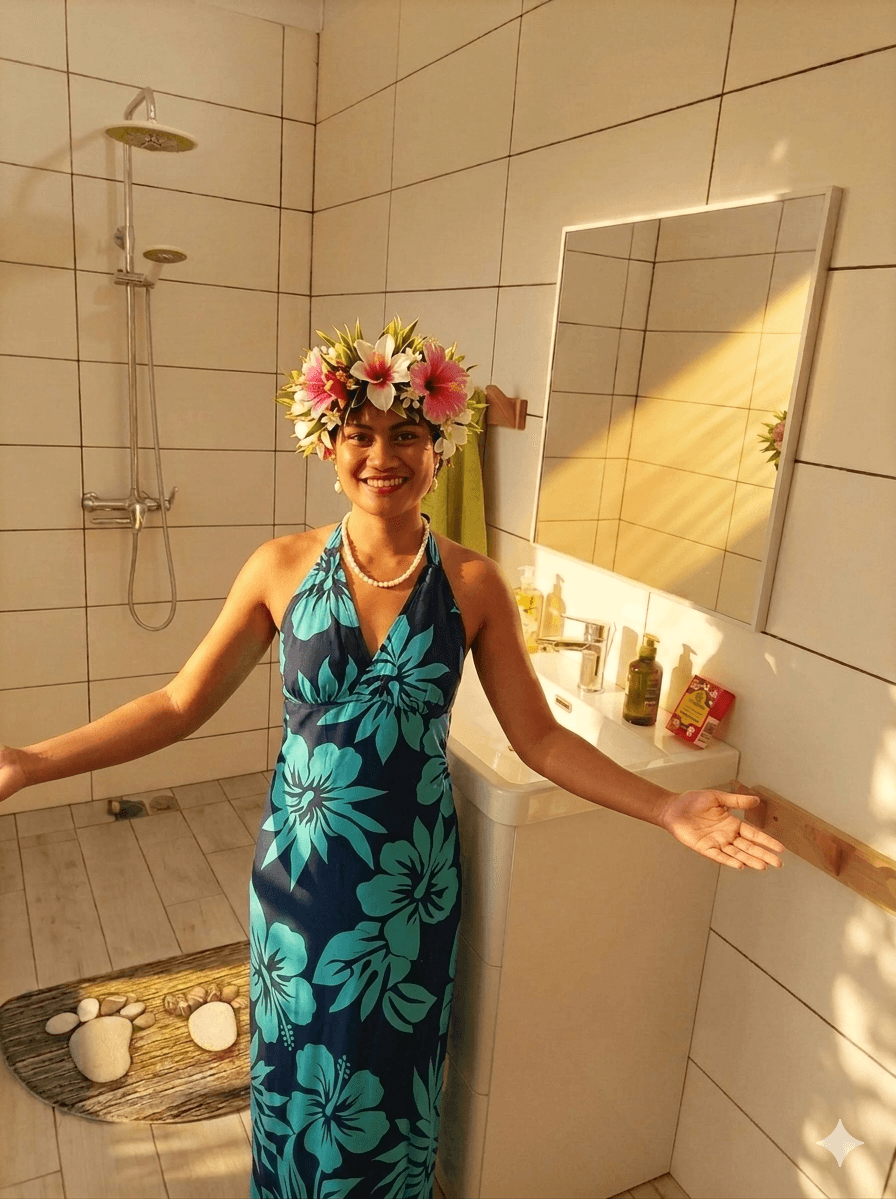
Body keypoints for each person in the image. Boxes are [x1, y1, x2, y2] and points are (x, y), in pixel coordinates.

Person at [0, 317, 785, 1199]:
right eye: (360, 434)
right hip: (297, 881)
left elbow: (542, 737)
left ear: (438, 448)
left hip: (408, 891)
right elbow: (179, 704)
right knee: (296, 1081)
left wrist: (669, 806)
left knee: (385, 1086)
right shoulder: (280, 568)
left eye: (407, 433)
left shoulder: (474, 583)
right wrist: (30, 760)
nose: (384, 454)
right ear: (328, 445)